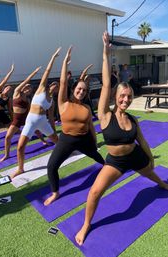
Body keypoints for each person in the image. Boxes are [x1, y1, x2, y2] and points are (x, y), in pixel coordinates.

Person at [75, 31, 168, 246]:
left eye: (129, 97)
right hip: (116, 162)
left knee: (150, 174)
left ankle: (162, 183)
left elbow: (142, 142)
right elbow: (107, 83)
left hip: (135, 157)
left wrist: (150, 159)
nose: (125, 99)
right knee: (95, 192)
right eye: (122, 96)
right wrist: (106, 53)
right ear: (116, 98)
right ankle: (87, 224)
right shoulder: (105, 116)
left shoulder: (133, 120)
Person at [44, 46, 105, 206]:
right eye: (79, 89)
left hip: (84, 139)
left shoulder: (85, 108)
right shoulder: (63, 103)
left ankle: (107, 167)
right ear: (74, 89)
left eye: (84, 91)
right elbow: (63, 81)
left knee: (95, 155)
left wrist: (95, 139)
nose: (81, 92)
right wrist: (65, 61)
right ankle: (55, 193)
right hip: (66, 140)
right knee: (51, 166)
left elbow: (91, 125)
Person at [10, 47, 61, 179]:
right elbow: (47, 71)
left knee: (57, 141)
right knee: (20, 147)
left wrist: (53, 131)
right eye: (55, 84)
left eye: (58, 86)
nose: (56, 86)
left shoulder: (52, 102)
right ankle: (20, 168)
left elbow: (50, 117)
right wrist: (53, 57)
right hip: (31, 121)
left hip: (43, 122)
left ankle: (67, 151)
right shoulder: (41, 89)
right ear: (50, 85)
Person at [0, 67, 46, 163]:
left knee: (36, 130)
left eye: (29, 88)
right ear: (23, 87)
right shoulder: (16, 92)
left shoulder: (27, 99)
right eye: (27, 87)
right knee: (8, 137)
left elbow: (29, 110)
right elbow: (26, 80)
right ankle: (7, 155)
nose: (28, 89)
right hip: (17, 120)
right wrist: (35, 72)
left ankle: (44, 140)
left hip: (26, 118)